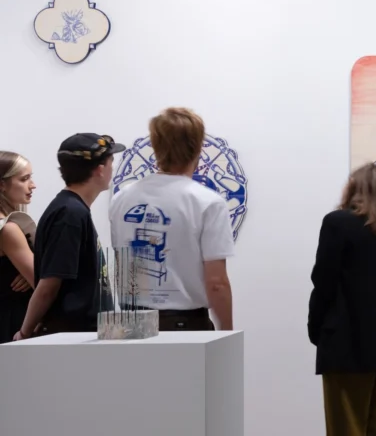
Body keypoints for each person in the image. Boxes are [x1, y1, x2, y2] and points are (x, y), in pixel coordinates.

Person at [108, 107, 234, 331]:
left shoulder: (121, 198)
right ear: (198, 147)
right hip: (183, 325)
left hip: (130, 322)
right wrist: (227, 331)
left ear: (156, 146)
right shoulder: (207, 202)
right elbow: (216, 283)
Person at [308, 163, 376, 436]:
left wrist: (316, 329)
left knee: (345, 425)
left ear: (352, 189)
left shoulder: (337, 223)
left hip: (344, 344)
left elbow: (323, 281)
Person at [15, 134, 125, 340]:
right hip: (73, 337)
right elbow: (49, 285)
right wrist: (24, 333)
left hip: (80, 335)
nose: (113, 168)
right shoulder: (69, 214)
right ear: (100, 170)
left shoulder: (72, 209)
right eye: (111, 161)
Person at [0, 152, 37, 343]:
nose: (33, 185)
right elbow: (40, 280)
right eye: (24, 179)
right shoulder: (8, 229)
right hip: (14, 320)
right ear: (2, 185)